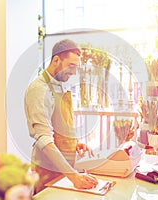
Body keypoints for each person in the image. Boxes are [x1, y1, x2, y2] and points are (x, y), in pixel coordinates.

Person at [24, 39, 98, 194]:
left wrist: (72, 143)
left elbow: (59, 124)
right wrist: (74, 176)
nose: (73, 72)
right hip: (48, 170)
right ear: (56, 60)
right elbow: (44, 139)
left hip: (64, 170)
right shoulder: (39, 89)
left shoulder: (59, 85)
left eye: (76, 67)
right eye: (71, 66)